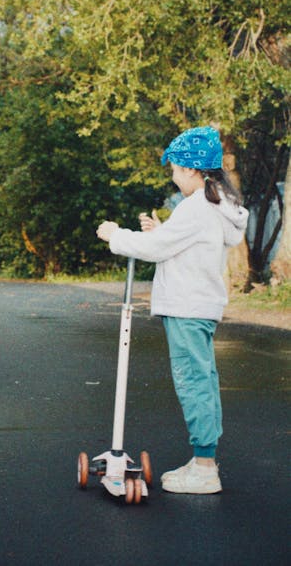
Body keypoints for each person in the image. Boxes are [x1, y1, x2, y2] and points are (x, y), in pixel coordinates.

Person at [96, 126, 248, 495]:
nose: (174, 177)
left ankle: (206, 469)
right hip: (200, 306)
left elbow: (159, 248)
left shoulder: (196, 207)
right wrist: (164, 229)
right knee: (203, 380)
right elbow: (181, 243)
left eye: (177, 170)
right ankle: (202, 461)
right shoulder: (214, 206)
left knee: (193, 382)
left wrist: (115, 235)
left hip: (187, 307)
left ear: (194, 170)